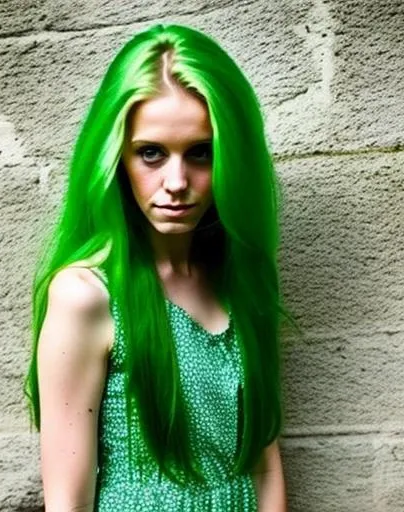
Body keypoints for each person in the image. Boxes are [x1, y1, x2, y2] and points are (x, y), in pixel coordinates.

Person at [24, 23, 294, 511]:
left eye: (201, 153)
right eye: (150, 153)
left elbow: (263, 459)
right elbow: (67, 501)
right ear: (115, 158)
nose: (176, 181)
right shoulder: (87, 295)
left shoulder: (240, 283)